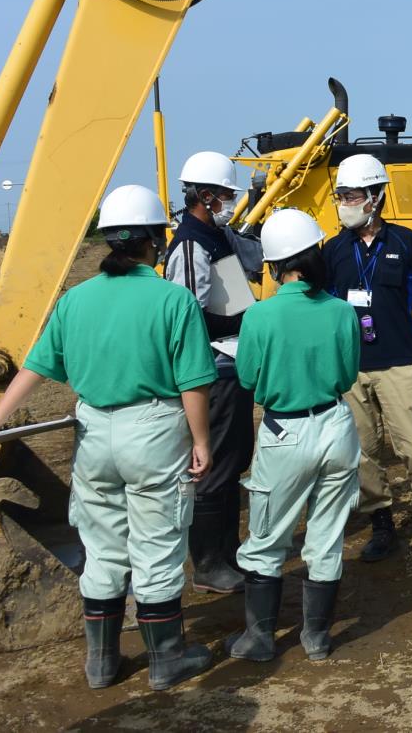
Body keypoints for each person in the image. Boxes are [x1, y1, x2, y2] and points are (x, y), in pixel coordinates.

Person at [0, 185, 215, 691]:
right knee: (157, 545)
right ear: (153, 241)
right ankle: (166, 660)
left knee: (102, 549)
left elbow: (35, 368)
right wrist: (201, 441)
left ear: (108, 241)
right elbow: (193, 383)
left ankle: (101, 663)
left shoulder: (75, 301)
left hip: (95, 431)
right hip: (153, 431)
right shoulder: (174, 299)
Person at [225, 210, 361, 663]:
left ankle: (260, 638)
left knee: (267, 540)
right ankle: (317, 638)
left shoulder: (259, 315)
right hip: (335, 425)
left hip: (284, 430)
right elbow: (347, 374)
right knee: (326, 537)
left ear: (274, 265)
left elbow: (247, 378)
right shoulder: (341, 310)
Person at [322, 153, 412, 561]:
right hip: (351, 368)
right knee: (361, 453)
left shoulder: (406, 242)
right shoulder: (333, 250)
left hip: (400, 362)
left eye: (351, 196)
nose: (344, 204)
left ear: (376, 197)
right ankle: (380, 520)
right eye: (341, 196)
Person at [163, 150, 253, 595]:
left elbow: (236, 295)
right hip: (212, 371)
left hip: (232, 364)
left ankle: (228, 552)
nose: (228, 202)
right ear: (203, 196)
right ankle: (209, 563)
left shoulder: (216, 237)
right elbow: (188, 319)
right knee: (212, 466)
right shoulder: (190, 245)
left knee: (233, 461)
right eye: (223, 194)